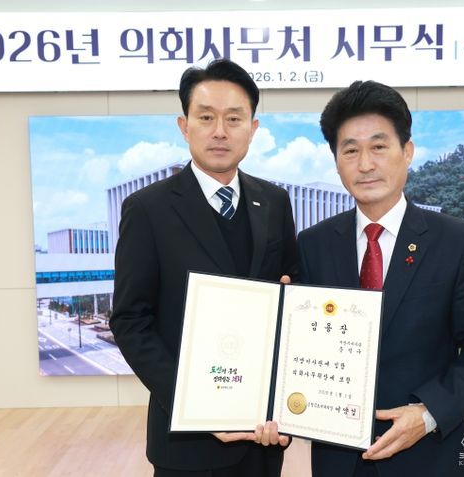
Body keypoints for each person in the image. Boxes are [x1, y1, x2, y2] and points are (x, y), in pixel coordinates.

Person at [297, 80, 464, 476]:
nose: (365, 164)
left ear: (407, 152)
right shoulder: (313, 244)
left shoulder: (457, 241)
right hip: (339, 458)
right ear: (336, 161)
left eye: (379, 146)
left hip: (430, 454)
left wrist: (428, 414)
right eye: (350, 150)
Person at [110, 58, 298, 477]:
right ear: (184, 126)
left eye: (234, 119)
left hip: (262, 435)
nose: (220, 131)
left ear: (253, 128)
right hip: (187, 442)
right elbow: (130, 320)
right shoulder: (148, 209)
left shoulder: (274, 201)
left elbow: (293, 284)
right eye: (206, 117)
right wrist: (195, 405)